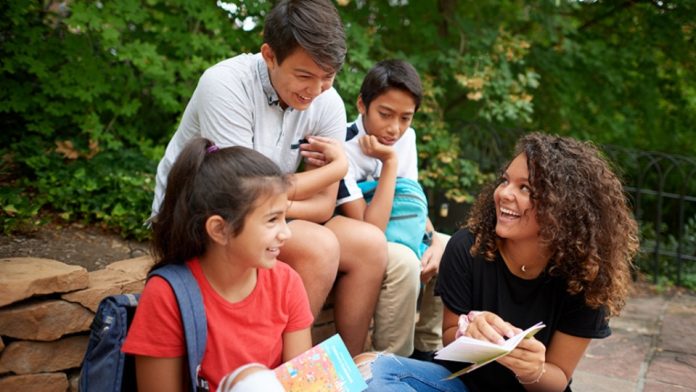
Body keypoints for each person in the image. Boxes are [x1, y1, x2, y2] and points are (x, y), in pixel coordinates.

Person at [151, 0, 387, 356]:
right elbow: (241, 193)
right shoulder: (225, 84)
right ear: (269, 55)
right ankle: (277, 372)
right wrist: (336, 170)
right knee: (319, 247)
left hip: (266, 214)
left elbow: (323, 206)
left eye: (328, 76)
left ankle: (352, 367)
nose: (316, 89)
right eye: (304, 75)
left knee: (369, 244)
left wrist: (278, 202)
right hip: (202, 216)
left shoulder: (327, 102)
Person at [359, 132, 640, 391]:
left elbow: (558, 378)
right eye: (505, 181)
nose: (505, 193)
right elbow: (447, 337)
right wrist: (468, 331)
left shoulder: (585, 277)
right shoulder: (469, 247)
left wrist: (533, 371)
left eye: (526, 188)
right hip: (463, 386)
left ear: (564, 210)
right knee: (369, 367)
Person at [123, 138, 312, 391]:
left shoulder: (286, 282)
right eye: (272, 220)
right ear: (219, 229)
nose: (285, 233)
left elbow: (303, 385)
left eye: (284, 217)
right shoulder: (168, 295)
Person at [335, 60, 448, 357]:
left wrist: (434, 240)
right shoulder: (343, 145)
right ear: (362, 104)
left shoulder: (406, 138)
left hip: (397, 226)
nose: (394, 128)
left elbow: (411, 200)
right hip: (359, 236)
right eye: (385, 114)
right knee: (404, 261)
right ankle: (390, 363)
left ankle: (428, 351)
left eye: (406, 118)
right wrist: (389, 163)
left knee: (451, 247)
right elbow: (370, 230)